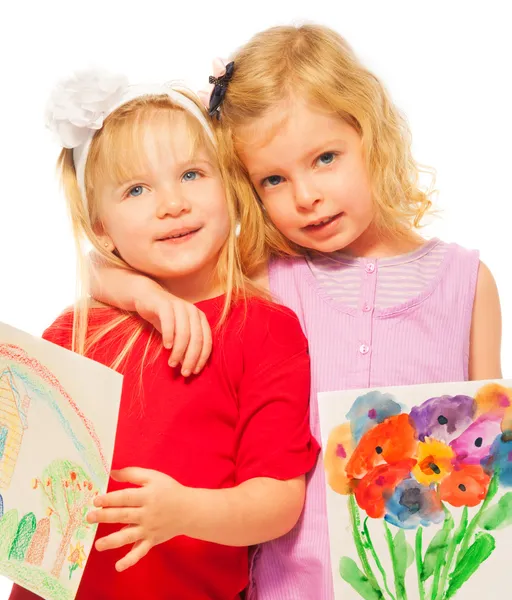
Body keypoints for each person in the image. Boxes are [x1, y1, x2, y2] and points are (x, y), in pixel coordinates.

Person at [89, 24, 512, 600]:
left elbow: (490, 438)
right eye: (274, 180)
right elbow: (106, 265)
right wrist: (148, 296)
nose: (305, 195)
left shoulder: (467, 282)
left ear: (372, 135)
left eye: (325, 158)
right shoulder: (262, 274)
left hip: (423, 582)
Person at [10, 69, 318, 600]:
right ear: (100, 226)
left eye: (193, 174)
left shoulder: (263, 328)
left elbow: (277, 502)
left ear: (230, 183)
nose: (171, 204)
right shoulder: (73, 331)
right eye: (136, 189)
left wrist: (183, 511)